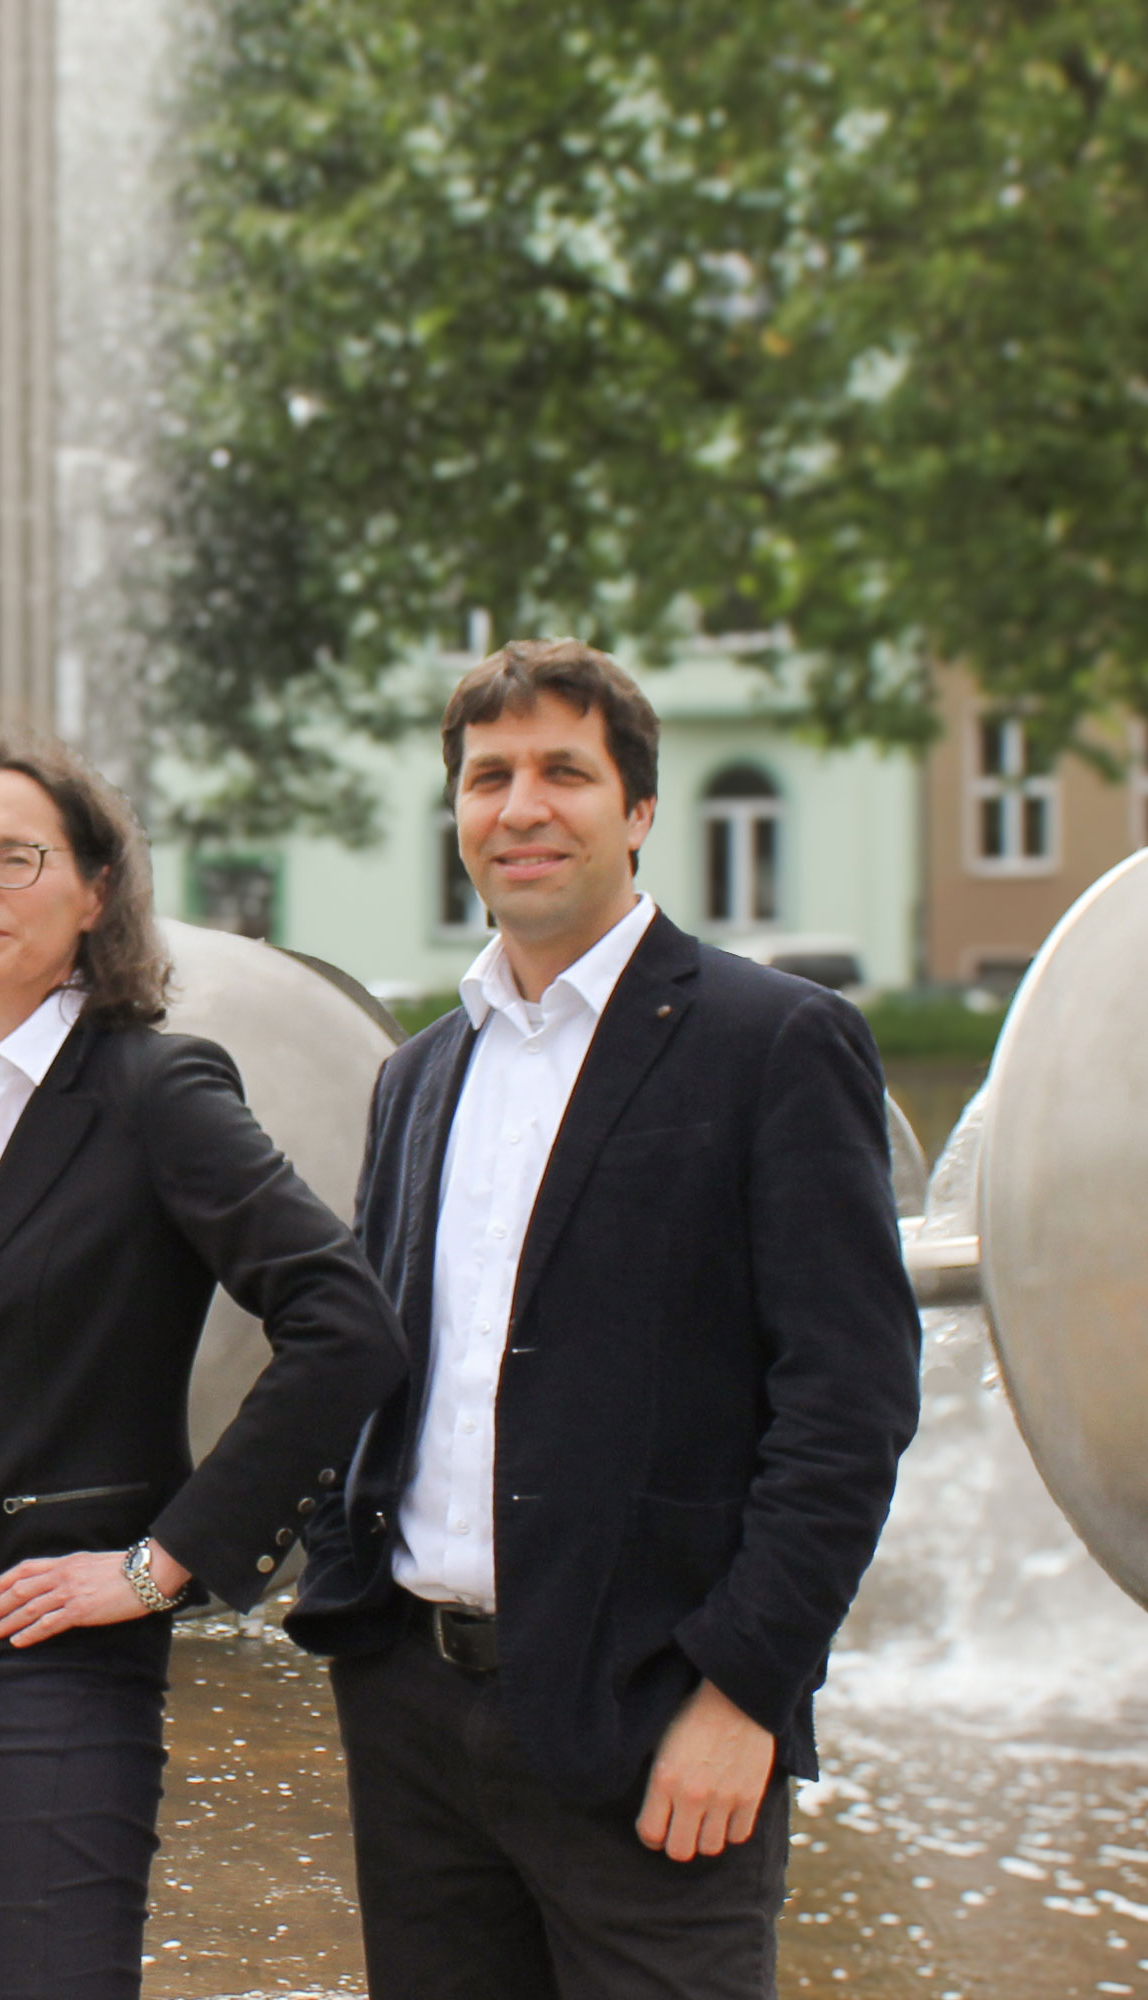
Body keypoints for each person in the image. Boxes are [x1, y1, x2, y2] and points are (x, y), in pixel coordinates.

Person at [289, 639, 921, 1997]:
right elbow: (388, 1367)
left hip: (655, 1719)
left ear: (636, 811)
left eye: (561, 772)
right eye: (485, 776)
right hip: (417, 1719)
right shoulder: (417, 1074)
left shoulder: (773, 1043)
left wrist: (745, 1691)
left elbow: (848, 1404)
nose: (520, 807)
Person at [0, 729, 406, 2000]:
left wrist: (159, 1564)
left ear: (93, 891)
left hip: (47, 1647)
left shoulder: (157, 1091)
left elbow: (346, 1324)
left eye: (14, 857)